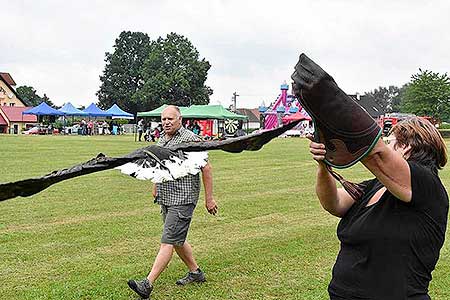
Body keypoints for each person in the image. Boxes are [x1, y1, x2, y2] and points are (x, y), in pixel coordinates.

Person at [309, 117, 448, 300]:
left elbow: (376, 156)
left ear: (405, 147)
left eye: (389, 141)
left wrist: (339, 125)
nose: (386, 146)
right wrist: (324, 165)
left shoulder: (426, 185)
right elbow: (333, 203)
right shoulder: (377, 185)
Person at [128, 105, 218, 299]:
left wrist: (209, 198)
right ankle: (196, 273)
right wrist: (155, 185)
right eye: (164, 119)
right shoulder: (162, 139)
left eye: (170, 119)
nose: (166, 122)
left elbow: (207, 168)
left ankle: (147, 284)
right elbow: (158, 165)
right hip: (166, 196)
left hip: (183, 198)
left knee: (168, 240)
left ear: (180, 120)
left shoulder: (190, 140)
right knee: (177, 238)